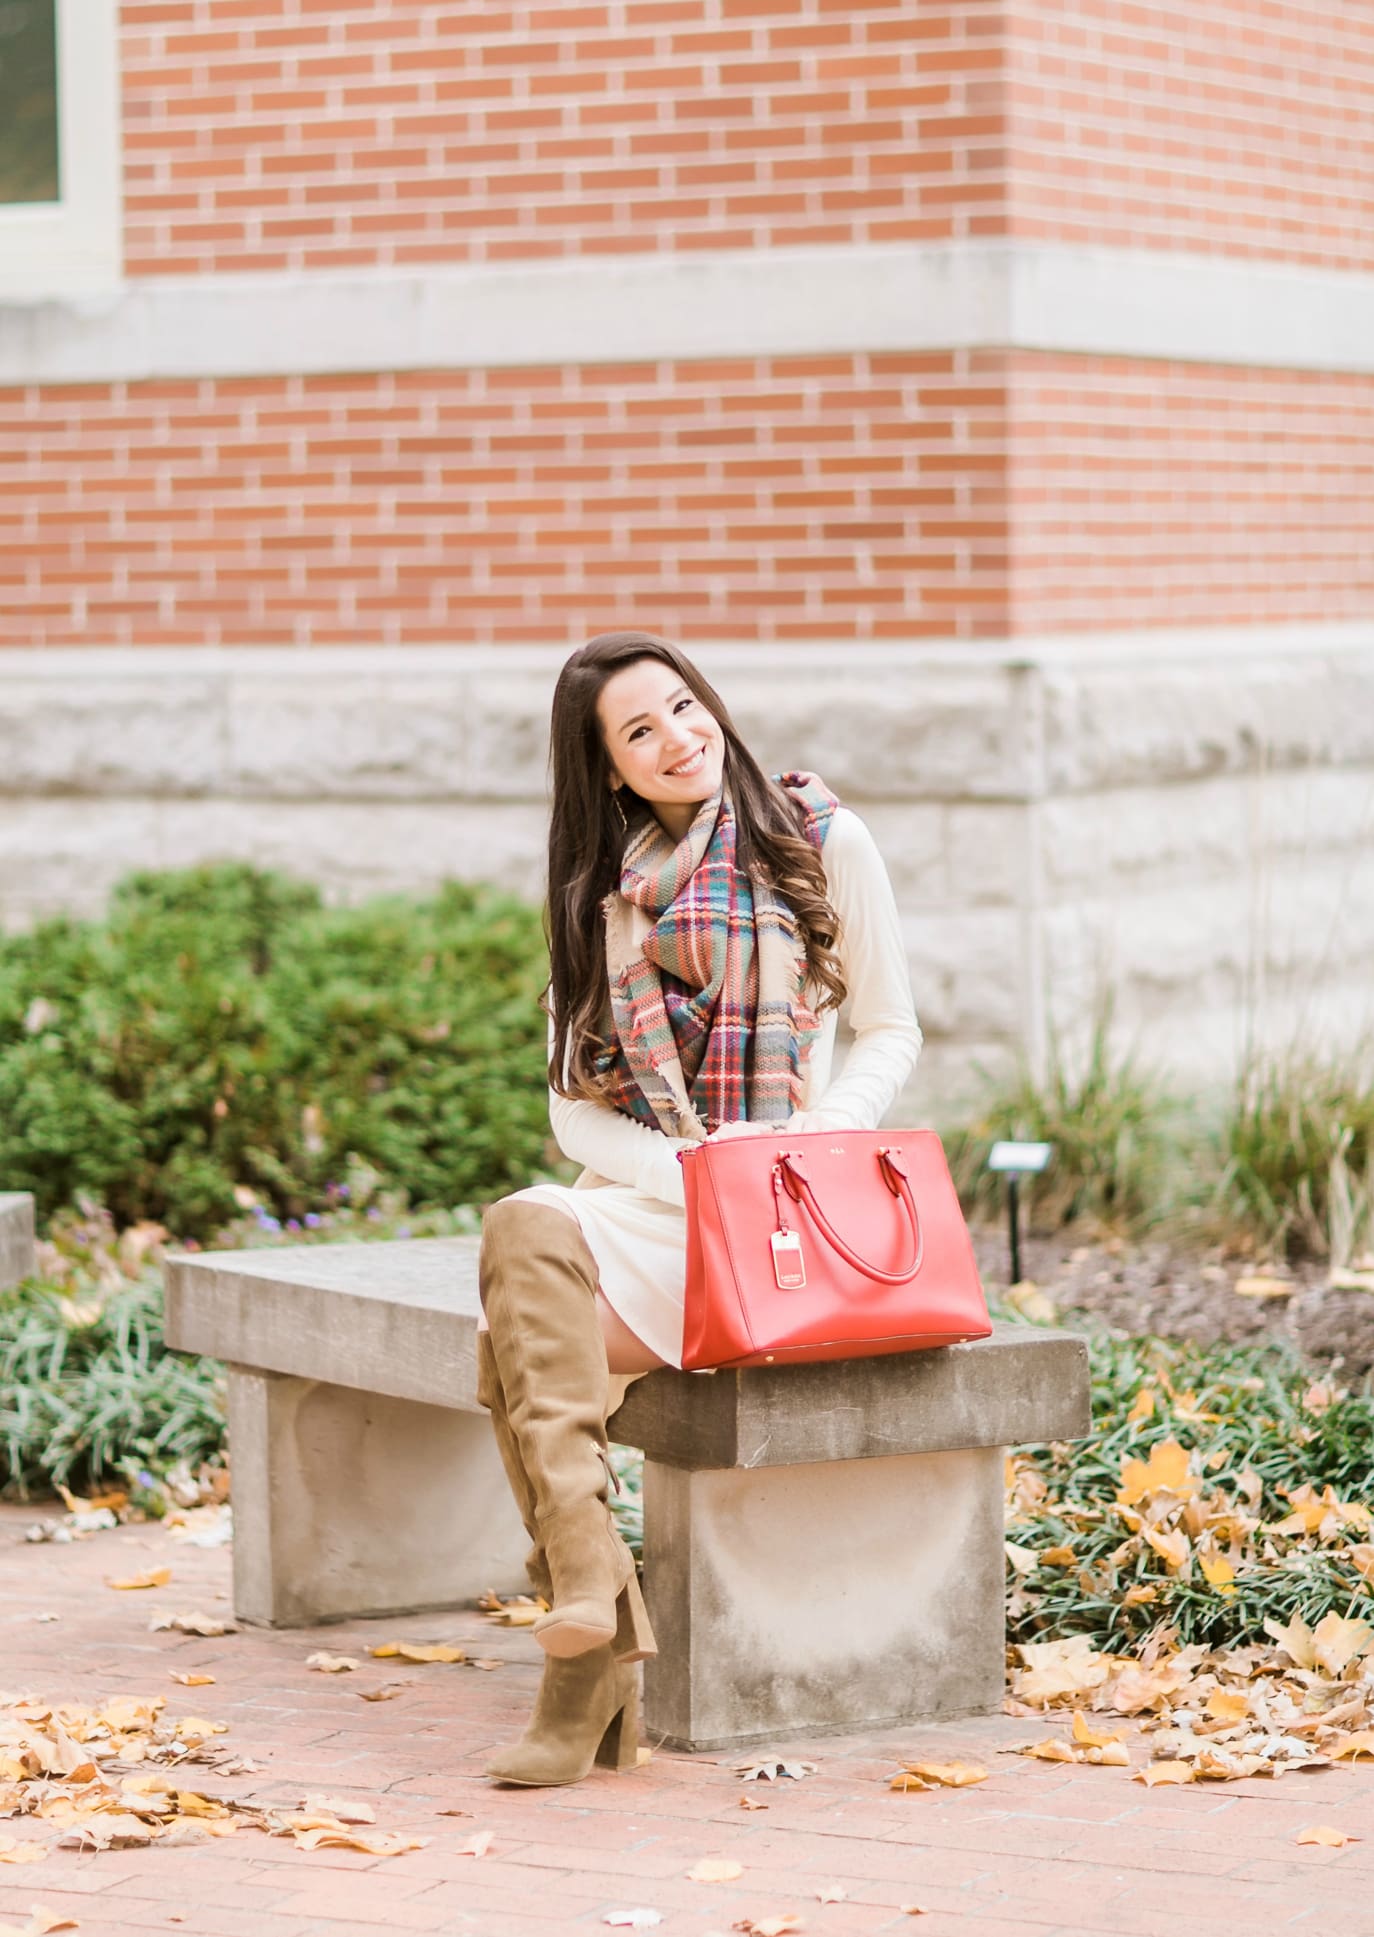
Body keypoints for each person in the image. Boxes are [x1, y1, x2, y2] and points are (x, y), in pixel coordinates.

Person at [475, 630, 922, 1786]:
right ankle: (585, 1594)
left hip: (780, 1206)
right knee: (524, 1228)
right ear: (608, 771)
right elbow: (574, 1114)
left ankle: (589, 1662)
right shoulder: (600, 896)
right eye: (640, 730)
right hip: (666, 1193)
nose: (680, 738)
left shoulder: (818, 835)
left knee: (506, 1353)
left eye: (685, 707)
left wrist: (814, 1138)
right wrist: (686, 1171)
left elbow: (889, 1027)